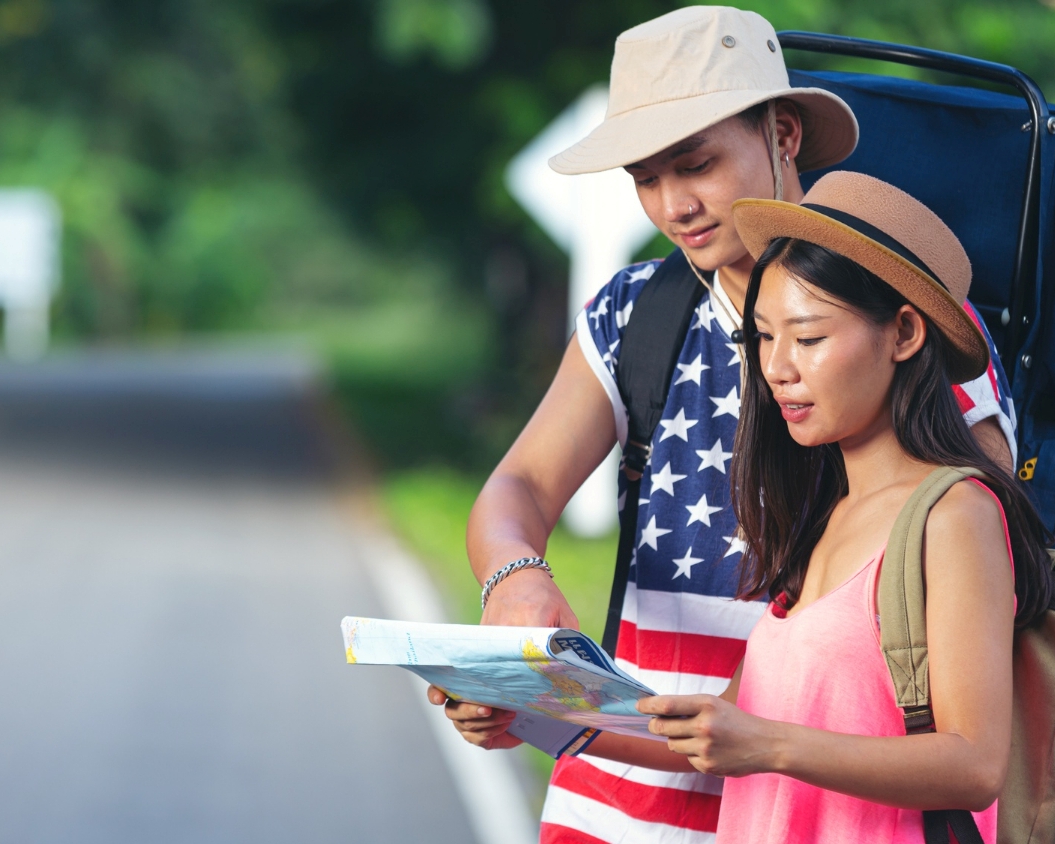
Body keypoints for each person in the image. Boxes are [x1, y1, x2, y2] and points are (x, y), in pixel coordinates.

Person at [431, 7, 1017, 843]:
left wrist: (775, 740)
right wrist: (518, 587)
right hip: (619, 793)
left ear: (782, 133)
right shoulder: (638, 312)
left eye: (697, 163)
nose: (675, 204)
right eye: (645, 176)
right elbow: (519, 484)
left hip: (825, 806)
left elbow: (974, 549)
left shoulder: (902, 309)